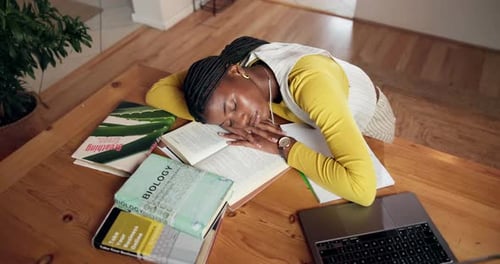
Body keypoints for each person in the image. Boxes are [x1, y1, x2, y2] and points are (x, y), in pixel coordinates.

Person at [146, 36, 395, 206]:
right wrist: (208, 102)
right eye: (228, 124)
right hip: (311, 121)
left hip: (368, 120)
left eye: (232, 105)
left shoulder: (311, 85)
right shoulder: (242, 74)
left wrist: (283, 145)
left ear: (237, 70)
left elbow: (363, 190)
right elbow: (156, 94)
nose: (241, 121)